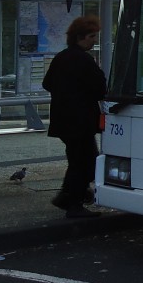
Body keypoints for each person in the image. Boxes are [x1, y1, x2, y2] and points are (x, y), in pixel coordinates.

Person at [43, 15, 106, 218]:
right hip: (81, 121)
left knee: (78, 159)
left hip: (63, 120)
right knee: (86, 161)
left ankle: (69, 196)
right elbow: (100, 88)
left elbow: (47, 84)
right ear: (81, 37)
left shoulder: (61, 57)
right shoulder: (84, 60)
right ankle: (73, 202)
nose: (94, 41)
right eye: (92, 36)